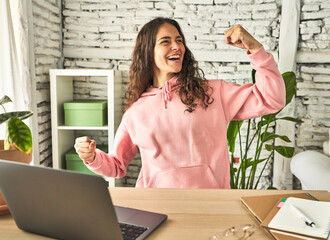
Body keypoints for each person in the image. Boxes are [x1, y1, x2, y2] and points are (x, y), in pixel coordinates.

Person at [74, 17, 286, 189]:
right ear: (148, 51)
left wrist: (256, 49)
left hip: (211, 206)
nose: (176, 46)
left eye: (179, 40)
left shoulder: (212, 93)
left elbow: (272, 98)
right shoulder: (136, 112)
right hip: (156, 208)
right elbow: (117, 166)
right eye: (165, 41)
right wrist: (92, 157)